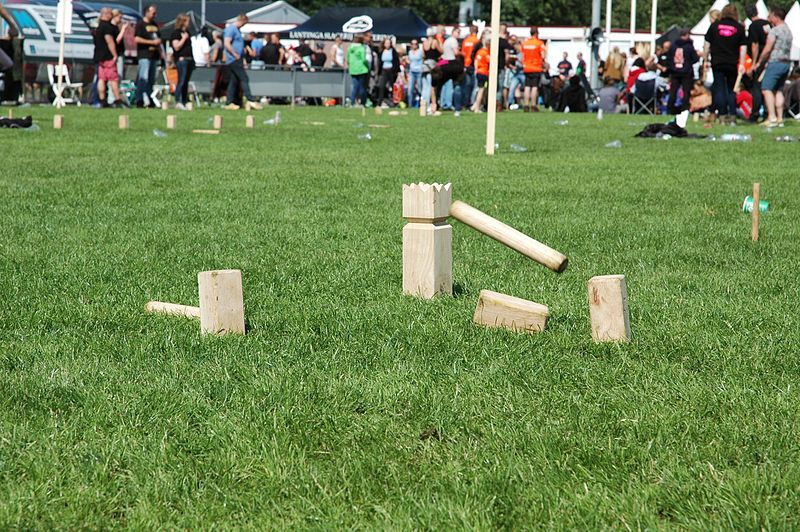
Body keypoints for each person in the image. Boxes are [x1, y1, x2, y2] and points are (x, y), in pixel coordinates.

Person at [704, 4, 746, 124]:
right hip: (732, 62)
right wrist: (742, 64)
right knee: (732, 89)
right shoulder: (739, 28)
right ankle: (732, 115)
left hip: (717, 61)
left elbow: (707, 45)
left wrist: (706, 59)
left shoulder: (714, 26)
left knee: (719, 88)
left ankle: (722, 115)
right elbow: (743, 47)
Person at [753, 7, 793, 126]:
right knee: (779, 90)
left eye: (770, 16)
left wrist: (759, 62)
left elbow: (768, 48)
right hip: (786, 62)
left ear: (776, 16)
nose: (769, 18)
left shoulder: (775, 30)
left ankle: (772, 116)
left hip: (775, 61)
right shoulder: (788, 30)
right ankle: (780, 117)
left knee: (766, 89)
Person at [223, 14, 263, 110]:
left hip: (238, 58)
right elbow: (227, 43)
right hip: (234, 59)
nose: (244, 25)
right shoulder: (231, 29)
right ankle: (250, 99)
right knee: (244, 78)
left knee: (233, 81)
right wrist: (234, 54)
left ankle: (229, 102)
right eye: (244, 23)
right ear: (241, 20)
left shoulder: (237, 30)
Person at [94, 7, 125, 107]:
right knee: (113, 79)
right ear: (106, 14)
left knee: (102, 79)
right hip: (108, 56)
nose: (111, 15)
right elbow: (110, 41)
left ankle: (102, 100)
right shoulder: (107, 27)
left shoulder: (99, 26)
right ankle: (118, 100)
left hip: (99, 57)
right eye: (110, 13)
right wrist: (115, 55)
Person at [666, 28, 699, 115]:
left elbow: (668, 59)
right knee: (686, 92)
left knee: (673, 91)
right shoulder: (689, 46)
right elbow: (695, 59)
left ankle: (670, 108)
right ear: (687, 35)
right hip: (686, 72)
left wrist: (672, 67)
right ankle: (684, 109)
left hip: (674, 71)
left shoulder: (673, 45)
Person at [745, 4, 770, 122]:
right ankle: (767, 112)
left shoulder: (753, 26)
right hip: (770, 58)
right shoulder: (767, 24)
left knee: (757, 88)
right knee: (768, 87)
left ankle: (755, 114)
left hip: (760, 59)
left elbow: (754, 45)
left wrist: (754, 63)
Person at [134, 4, 161, 108]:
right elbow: (136, 39)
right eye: (153, 12)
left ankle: (150, 99)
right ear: (147, 12)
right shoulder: (140, 24)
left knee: (151, 79)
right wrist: (151, 42)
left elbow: (158, 37)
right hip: (144, 55)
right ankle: (139, 99)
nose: (155, 15)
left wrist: (158, 43)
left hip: (154, 55)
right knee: (143, 78)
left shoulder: (155, 24)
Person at [170, 13, 193, 110]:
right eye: (187, 21)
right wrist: (183, 39)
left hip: (189, 60)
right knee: (181, 81)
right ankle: (178, 101)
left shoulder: (188, 32)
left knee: (186, 82)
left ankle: (184, 101)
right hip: (181, 60)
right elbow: (176, 47)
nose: (189, 23)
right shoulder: (176, 33)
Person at [521, 27, 546, 112]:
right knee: (534, 87)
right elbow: (543, 55)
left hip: (527, 67)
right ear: (536, 33)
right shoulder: (539, 43)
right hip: (536, 67)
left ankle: (526, 104)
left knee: (527, 86)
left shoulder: (525, 43)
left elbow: (522, 54)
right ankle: (534, 104)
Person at [422, 28, 442, 114]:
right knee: (432, 87)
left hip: (424, 65)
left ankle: (424, 104)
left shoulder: (424, 43)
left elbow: (423, 55)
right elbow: (442, 51)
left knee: (425, 86)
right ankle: (432, 105)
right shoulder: (435, 42)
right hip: (433, 65)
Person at [376, 38, 399, 107]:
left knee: (392, 87)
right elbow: (380, 62)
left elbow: (396, 62)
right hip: (384, 70)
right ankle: (379, 102)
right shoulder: (382, 51)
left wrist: (396, 71)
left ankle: (393, 101)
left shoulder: (393, 51)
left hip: (391, 70)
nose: (387, 45)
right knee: (381, 86)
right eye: (386, 43)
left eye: (389, 43)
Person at [460, 25, 479, 109]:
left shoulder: (466, 40)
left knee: (466, 85)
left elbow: (463, 53)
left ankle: (465, 102)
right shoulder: (477, 41)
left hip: (466, 64)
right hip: (474, 64)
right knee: (474, 85)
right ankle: (472, 103)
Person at [347, 34, 369, 106]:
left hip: (353, 69)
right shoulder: (361, 48)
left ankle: (352, 102)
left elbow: (348, 59)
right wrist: (368, 65)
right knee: (362, 87)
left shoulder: (350, 48)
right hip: (361, 69)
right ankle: (363, 102)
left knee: (355, 87)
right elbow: (363, 59)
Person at [471, 36, 491, 113]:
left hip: (479, 72)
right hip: (484, 72)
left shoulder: (479, 52)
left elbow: (476, 61)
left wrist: (476, 70)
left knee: (481, 89)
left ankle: (475, 106)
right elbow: (490, 62)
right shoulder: (486, 53)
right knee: (481, 90)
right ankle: (477, 107)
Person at [406, 39, 423, 108]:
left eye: (415, 44)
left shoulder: (420, 52)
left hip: (419, 71)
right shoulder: (409, 52)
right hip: (411, 71)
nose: (414, 45)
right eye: (412, 44)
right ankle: (410, 105)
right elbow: (409, 60)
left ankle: (421, 104)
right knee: (410, 89)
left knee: (419, 89)